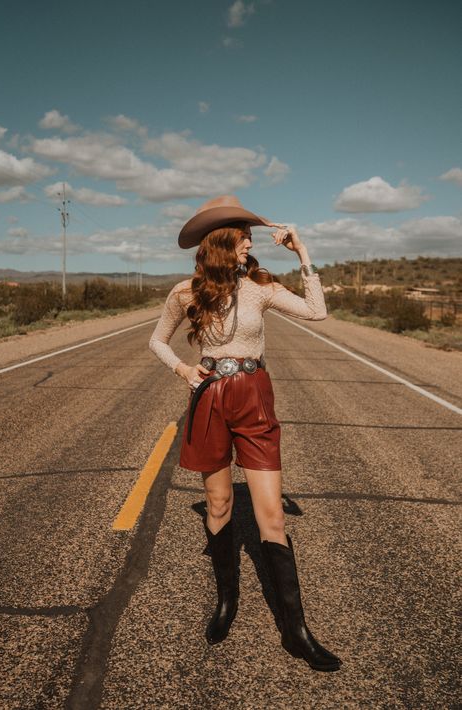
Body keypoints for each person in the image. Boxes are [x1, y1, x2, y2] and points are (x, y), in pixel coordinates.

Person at [149, 195, 342, 672]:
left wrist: (303, 252)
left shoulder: (259, 287)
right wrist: (182, 369)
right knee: (218, 505)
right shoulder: (185, 292)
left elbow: (317, 312)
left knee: (271, 515)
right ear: (222, 243)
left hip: (254, 395)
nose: (251, 244)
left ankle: (296, 633)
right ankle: (225, 602)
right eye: (243, 237)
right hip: (210, 397)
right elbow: (156, 339)